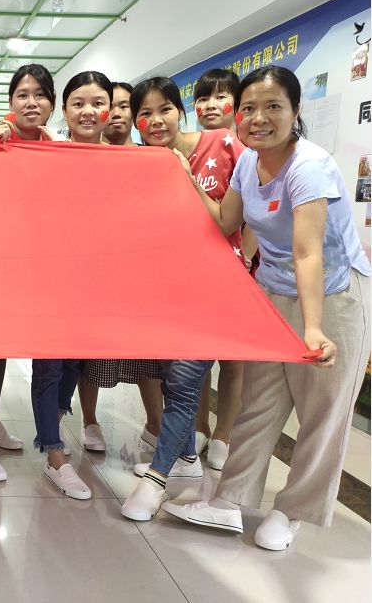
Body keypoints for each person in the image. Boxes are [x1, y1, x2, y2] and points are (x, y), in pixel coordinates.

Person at [162, 66, 370, 550]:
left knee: (322, 410)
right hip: (274, 292)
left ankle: (293, 510)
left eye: (273, 106)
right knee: (260, 401)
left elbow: (308, 253)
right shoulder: (247, 164)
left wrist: (314, 328)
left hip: (333, 295)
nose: (259, 118)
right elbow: (225, 221)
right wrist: (187, 179)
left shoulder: (309, 167)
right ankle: (228, 500)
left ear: (295, 112)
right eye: (249, 108)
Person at [120, 75, 246, 522]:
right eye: (145, 114)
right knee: (176, 379)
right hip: (166, 292)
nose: (155, 120)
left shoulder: (222, 144)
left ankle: (155, 480)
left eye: (165, 110)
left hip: (216, 291)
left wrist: (245, 264)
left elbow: (244, 213)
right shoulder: (142, 162)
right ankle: (186, 456)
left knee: (183, 380)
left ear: (180, 110)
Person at [0, 64, 91, 500]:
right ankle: (53, 453)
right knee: (48, 363)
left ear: (53, 104)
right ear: (11, 102)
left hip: (72, 272)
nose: (31, 102)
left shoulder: (61, 149)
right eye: (22, 94)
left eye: (40, 95)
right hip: (24, 273)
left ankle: (55, 420)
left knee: (74, 360)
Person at [57, 72, 163, 454]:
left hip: (129, 275)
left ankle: (157, 426)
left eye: (115, 105)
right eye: (80, 103)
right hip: (75, 274)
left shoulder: (141, 159)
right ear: (65, 109)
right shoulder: (56, 153)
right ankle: (85, 420)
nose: (104, 112)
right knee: (83, 356)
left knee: (145, 355)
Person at [191, 68, 256, 468]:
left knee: (233, 360)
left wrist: (243, 260)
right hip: (197, 271)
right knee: (196, 359)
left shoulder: (247, 151)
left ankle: (223, 435)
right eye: (202, 99)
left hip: (238, 271)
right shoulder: (189, 149)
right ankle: (198, 427)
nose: (211, 105)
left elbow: (258, 217)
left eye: (220, 97)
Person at [102, 81, 136, 146]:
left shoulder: (150, 151)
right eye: (109, 107)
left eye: (123, 106)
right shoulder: (85, 151)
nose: (116, 114)